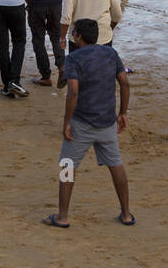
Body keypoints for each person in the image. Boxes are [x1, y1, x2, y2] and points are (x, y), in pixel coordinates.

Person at [43, 19, 133, 228]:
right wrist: (123, 112)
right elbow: (125, 82)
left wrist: (66, 122)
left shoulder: (73, 59)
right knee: (116, 165)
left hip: (82, 123)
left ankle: (62, 216)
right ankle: (126, 214)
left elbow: (73, 91)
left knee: (67, 166)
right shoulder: (111, 54)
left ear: (78, 36)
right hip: (107, 122)